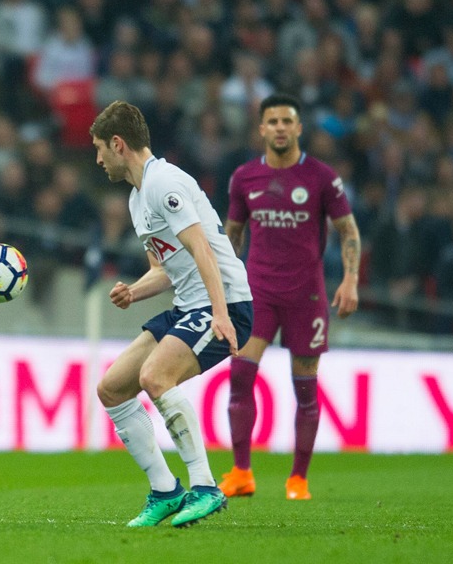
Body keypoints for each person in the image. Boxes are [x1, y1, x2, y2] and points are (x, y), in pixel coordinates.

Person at [89, 101, 253, 528]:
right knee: (111, 388)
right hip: (187, 305)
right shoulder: (136, 198)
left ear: (118, 143)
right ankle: (165, 490)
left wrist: (220, 314)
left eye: (100, 149)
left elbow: (202, 249)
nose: (97, 159)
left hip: (226, 303)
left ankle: (205, 487)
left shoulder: (165, 182)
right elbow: (164, 268)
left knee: (155, 377)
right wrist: (134, 291)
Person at [219, 93, 360, 500]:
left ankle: (298, 479)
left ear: (298, 128)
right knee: (241, 375)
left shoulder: (321, 177)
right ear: (261, 128)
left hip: (306, 295)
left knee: (305, 387)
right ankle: (242, 472)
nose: (280, 127)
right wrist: (225, 286)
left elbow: (348, 230)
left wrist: (350, 280)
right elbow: (232, 234)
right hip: (257, 290)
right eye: (273, 121)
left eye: (287, 121)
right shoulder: (244, 177)